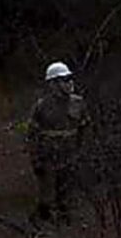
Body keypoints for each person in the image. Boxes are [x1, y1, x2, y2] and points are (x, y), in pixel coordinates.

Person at [26, 61, 85, 222]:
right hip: (48, 159)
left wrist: (81, 153)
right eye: (64, 79)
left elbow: (85, 130)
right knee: (46, 199)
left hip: (70, 157)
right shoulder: (42, 106)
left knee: (67, 197)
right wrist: (36, 160)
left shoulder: (78, 103)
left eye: (70, 78)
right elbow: (32, 135)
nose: (70, 83)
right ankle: (42, 228)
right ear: (53, 84)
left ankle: (65, 228)